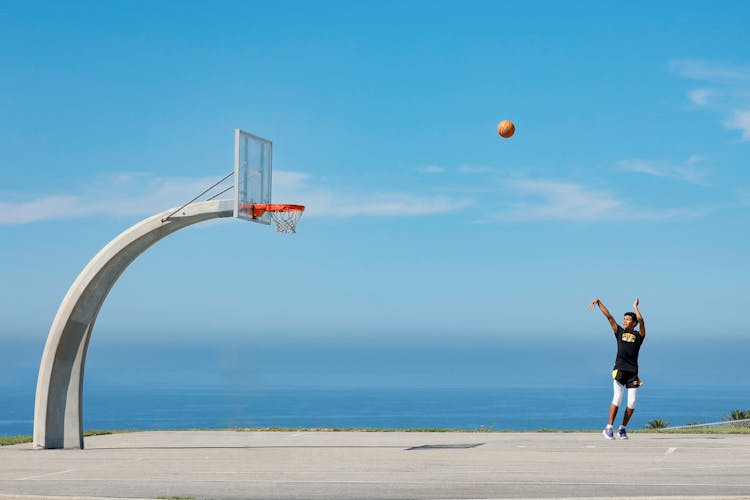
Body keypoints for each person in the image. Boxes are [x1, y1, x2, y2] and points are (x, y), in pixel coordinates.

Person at [589, 297, 646, 440]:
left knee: (632, 402)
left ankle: (622, 428)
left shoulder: (639, 335)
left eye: (627, 319)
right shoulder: (619, 332)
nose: (624, 321)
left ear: (633, 323)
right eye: (624, 319)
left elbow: (642, 321)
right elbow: (609, 317)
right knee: (618, 398)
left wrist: (635, 307)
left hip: (633, 373)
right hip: (620, 370)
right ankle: (608, 428)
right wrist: (599, 303)